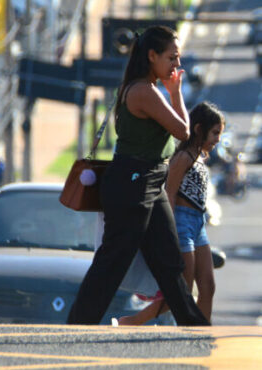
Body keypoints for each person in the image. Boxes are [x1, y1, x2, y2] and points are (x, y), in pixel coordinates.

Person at [67, 25, 209, 326]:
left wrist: (172, 93)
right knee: (112, 262)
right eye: (171, 58)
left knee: (169, 262)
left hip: (150, 183)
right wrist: (175, 93)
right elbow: (183, 131)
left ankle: (194, 326)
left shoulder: (149, 89)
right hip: (132, 185)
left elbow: (179, 132)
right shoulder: (144, 91)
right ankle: (78, 324)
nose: (177, 65)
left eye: (178, 58)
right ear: (152, 56)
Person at [117, 102, 224, 325]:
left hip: (198, 224)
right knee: (181, 291)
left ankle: (202, 330)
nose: (218, 140)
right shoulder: (183, 157)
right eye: (214, 133)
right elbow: (169, 194)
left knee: (208, 286)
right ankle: (133, 321)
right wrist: (169, 231)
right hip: (181, 223)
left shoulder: (200, 157)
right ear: (198, 129)